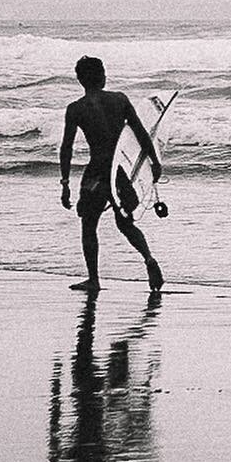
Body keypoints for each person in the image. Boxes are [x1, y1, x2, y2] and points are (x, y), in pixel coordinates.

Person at [59, 55, 164, 293]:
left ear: (80, 80)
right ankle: (148, 258)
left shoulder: (76, 109)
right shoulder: (119, 100)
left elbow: (67, 147)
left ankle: (94, 279)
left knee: (89, 225)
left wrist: (65, 182)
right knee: (125, 223)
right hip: (120, 173)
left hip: (96, 173)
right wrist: (154, 163)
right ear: (102, 76)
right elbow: (140, 134)